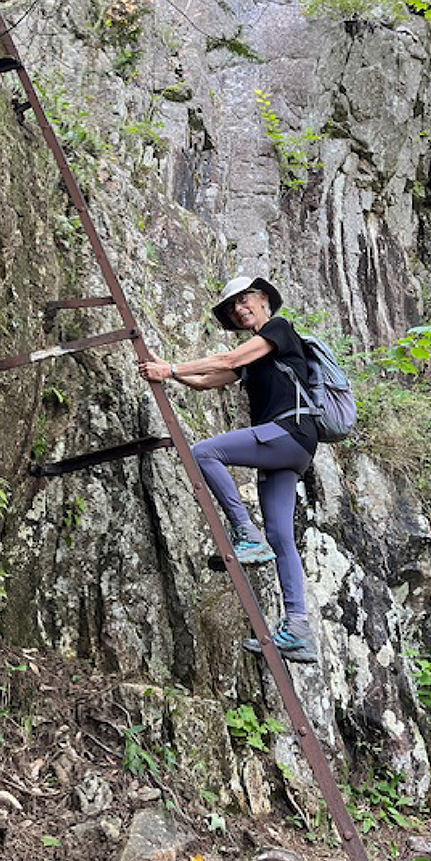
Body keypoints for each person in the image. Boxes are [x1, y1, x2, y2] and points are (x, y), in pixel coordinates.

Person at [140, 276, 322, 666]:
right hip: (291, 448)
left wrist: (170, 368)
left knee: (205, 452)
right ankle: (298, 628)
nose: (239, 310)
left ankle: (245, 534)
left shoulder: (279, 329)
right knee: (281, 537)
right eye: (232, 307)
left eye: (244, 300)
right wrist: (164, 368)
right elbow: (205, 382)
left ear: (263, 299)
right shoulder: (255, 361)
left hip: (288, 431)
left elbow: (228, 360)